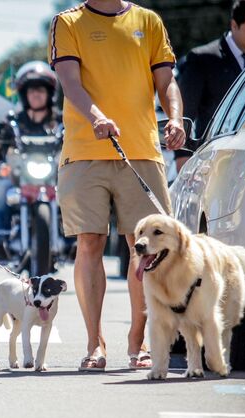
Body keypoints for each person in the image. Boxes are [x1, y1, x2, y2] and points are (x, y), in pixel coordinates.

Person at [48, 0, 186, 371]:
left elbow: (166, 81)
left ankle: (137, 342)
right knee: (89, 242)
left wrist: (174, 118)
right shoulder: (68, 22)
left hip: (140, 150)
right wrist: (97, 116)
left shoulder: (148, 21)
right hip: (84, 152)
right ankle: (95, 344)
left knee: (147, 249)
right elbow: (70, 82)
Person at [0, 61, 61, 261]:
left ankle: (77, 237)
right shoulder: (13, 122)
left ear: (49, 93)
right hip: (19, 175)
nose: (36, 94)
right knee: (1, 187)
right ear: (24, 94)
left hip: (54, 176)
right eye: (31, 90)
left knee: (79, 189)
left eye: (40, 90)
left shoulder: (61, 122)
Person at [175, 0, 245, 169]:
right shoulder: (202, 58)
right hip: (214, 160)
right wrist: (183, 160)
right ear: (234, 25)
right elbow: (186, 112)